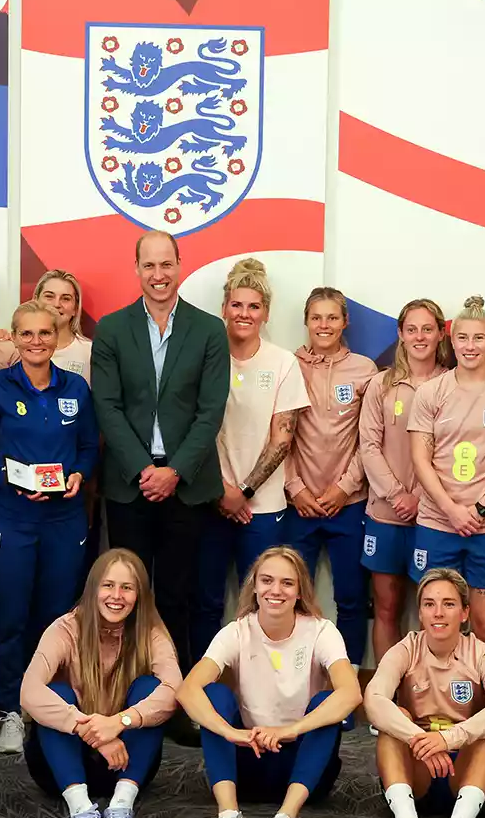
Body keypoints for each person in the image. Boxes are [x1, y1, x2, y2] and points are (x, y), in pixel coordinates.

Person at [176, 547, 361, 818]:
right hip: (248, 760)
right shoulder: (236, 631)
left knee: (326, 705)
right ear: (255, 586)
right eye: (267, 581)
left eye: (287, 583)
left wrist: (290, 729)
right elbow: (188, 691)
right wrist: (232, 733)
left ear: (300, 590)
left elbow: (350, 694)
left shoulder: (321, 630)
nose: (276, 590)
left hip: (302, 769)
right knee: (214, 695)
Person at [92, 230, 228, 669]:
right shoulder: (112, 329)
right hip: (129, 485)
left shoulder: (209, 330)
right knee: (125, 592)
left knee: (177, 594)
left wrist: (174, 471)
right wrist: (142, 469)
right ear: (136, 269)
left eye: (166, 264)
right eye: (149, 265)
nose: (158, 275)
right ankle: (129, 686)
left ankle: (174, 694)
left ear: (179, 265)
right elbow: (107, 406)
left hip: (185, 486)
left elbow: (211, 411)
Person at [0, 301, 98, 753]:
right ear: (15, 336)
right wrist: (9, 479)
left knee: (57, 617)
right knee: (11, 617)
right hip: (11, 515)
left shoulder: (76, 387)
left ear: (57, 332)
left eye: (46, 333)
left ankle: (48, 708)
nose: (37, 341)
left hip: (64, 518)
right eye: (27, 334)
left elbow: (87, 446)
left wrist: (79, 472)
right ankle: (9, 711)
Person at [22, 549, 180, 818]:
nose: (116, 596)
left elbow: (175, 689)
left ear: (139, 595)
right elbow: (29, 691)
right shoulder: (65, 628)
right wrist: (91, 731)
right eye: (108, 586)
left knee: (151, 689)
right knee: (56, 692)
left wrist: (120, 722)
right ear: (93, 588)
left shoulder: (151, 632)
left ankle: (121, 808)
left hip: (126, 765)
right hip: (61, 766)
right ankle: (81, 810)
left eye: (127, 587)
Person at [191, 259, 309, 659]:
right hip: (209, 500)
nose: (244, 314)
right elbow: (190, 430)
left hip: (262, 506)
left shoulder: (282, 362)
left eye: (254, 306)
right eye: (237, 305)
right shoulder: (202, 356)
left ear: (266, 313)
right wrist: (220, 490)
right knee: (205, 602)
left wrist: (243, 491)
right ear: (224, 308)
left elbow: (282, 438)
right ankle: (202, 693)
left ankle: (255, 691)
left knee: (262, 605)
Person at [365, 567, 485, 818]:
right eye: (429, 604)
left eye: (448, 604)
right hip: (416, 768)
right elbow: (374, 699)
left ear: (464, 612)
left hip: (466, 771)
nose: (438, 612)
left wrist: (448, 740)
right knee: (395, 719)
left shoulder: (482, 653)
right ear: (420, 612)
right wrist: (419, 739)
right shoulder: (407, 648)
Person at [408, 295, 485, 658]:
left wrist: (479, 510)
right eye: (463, 338)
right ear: (451, 339)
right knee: (434, 626)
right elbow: (420, 458)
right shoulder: (431, 392)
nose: (470, 346)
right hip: (437, 523)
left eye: (479, 338)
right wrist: (451, 510)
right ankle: (429, 705)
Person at [286, 286, 378, 667]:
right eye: (316, 317)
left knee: (352, 596)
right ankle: (297, 674)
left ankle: (350, 676)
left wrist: (344, 487)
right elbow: (279, 437)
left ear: (345, 322)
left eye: (332, 317)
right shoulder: (288, 365)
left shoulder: (365, 369)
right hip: (298, 505)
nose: (324, 325)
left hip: (349, 504)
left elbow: (370, 438)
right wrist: (295, 488)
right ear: (306, 321)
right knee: (290, 596)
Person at [358, 299, 449, 663]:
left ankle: (430, 694)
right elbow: (368, 445)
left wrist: (422, 499)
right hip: (386, 514)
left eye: (428, 329)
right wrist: (398, 495)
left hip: (435, 517)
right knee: (386, 608)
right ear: (400, 333)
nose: (420, 336)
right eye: (411, 329)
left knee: (437, 614)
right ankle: (386, 698)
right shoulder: (381, 384)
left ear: (441, 333)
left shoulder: (452, 384)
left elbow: (454, 453)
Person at [35, 269, 94, 383]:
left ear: (75, 309)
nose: (56, 304)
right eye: (49, 296)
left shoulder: (89, 352)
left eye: (65, 298)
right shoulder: (19, 348)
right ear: (35, 301)